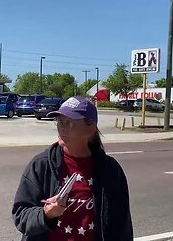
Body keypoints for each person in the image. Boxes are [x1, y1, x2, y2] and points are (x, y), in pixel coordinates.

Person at [12, 96, 133, 241]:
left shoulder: (110, 170)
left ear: (90, 128)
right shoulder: (41, 165)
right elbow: (21, 215)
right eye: (60, 121)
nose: (62, 127)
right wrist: (46, 214)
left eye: (69, 122)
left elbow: (121, 226)